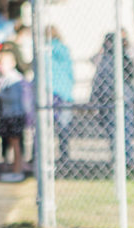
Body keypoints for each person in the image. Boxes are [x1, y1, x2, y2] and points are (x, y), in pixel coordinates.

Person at [91, 31, 134, 174]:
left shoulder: (124, 57)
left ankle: (127, 163)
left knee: (126, 133)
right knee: (115, 134)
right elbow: (98, 79)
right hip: (110, 102)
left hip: (122, 101)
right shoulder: (105, 58)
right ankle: (120, 163)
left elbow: (132, 74)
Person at [0, 50, 31, 182]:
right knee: (10, 141)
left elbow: (14, 97)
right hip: (7, 114)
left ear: (12, 64)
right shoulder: (1, 78)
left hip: (15, 115)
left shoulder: (14, 78)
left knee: (16, 143)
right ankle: (14, 168)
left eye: (2, 63)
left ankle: (18, 170)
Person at [46, 26, 75, 161]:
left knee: (46, 124)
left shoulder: (44, 49)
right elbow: (70, 70)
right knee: (63, 124)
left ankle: (44, 154)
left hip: (48, 91)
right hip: (63, 91)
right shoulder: (63, 49)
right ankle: (64, 154)